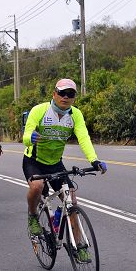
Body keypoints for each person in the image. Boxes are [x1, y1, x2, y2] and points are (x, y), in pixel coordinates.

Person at [22, 79, 107, 262]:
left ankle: (79, 246)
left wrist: (94, 160)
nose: (66, 97)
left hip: (55, 163)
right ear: (54, 94)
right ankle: (33, 216)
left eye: (71, 94)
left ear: (74, 98)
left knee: (71, 200)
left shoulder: (75, 115)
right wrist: (31, 137)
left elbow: (84, 138)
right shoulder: (40, 110)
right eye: (62, 93)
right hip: (34, 161)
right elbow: (26, 135)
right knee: (37, 186)